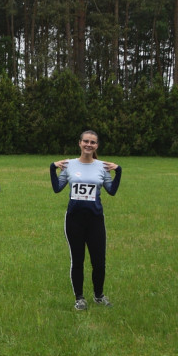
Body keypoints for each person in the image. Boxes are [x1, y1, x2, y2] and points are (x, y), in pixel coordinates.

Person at [51, 130, 121, 311]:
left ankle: (99, 295)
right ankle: (79, 298)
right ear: (80, 143)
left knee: (99, 261)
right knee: (78, 259)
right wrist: (53, 168)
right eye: (86, 141)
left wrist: (118, 172)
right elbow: (57, 188)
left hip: (95, 220)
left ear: (96, 146)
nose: (89, 145)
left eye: (93, 142)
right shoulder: (69, 165)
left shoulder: (102, 167)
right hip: (74, 220)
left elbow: (111, 191)